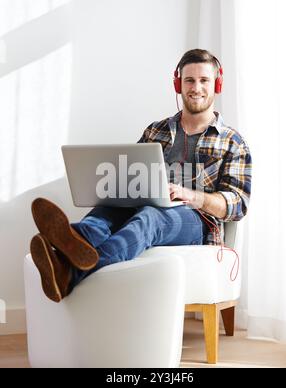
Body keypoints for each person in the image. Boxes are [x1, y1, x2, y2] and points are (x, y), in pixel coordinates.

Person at [30, 49, 252, 303]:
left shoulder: (233, 142)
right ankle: (73, 239)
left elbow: (238, 205)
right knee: (108, 209)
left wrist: (193, 196)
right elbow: (131, 174)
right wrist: (112, 185)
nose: (196, 87)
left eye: (204, 81)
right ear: (178, 85)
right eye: (189, 80)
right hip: (146, 203)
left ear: (217, 85)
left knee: (150, 217)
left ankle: (70, 272)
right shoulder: (155, 130)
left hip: (195, 221)